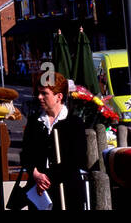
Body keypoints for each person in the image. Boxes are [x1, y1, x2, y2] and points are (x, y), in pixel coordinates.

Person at [18, 72, 88, 210]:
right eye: (38, 93)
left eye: (44, 94)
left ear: (59, 96)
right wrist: (35, 174)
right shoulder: (34, 122)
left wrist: (46, 178)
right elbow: (26, 153)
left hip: (67, 191)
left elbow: (76, 159)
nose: (39, 97)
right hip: (39, 193)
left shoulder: (74, 123)